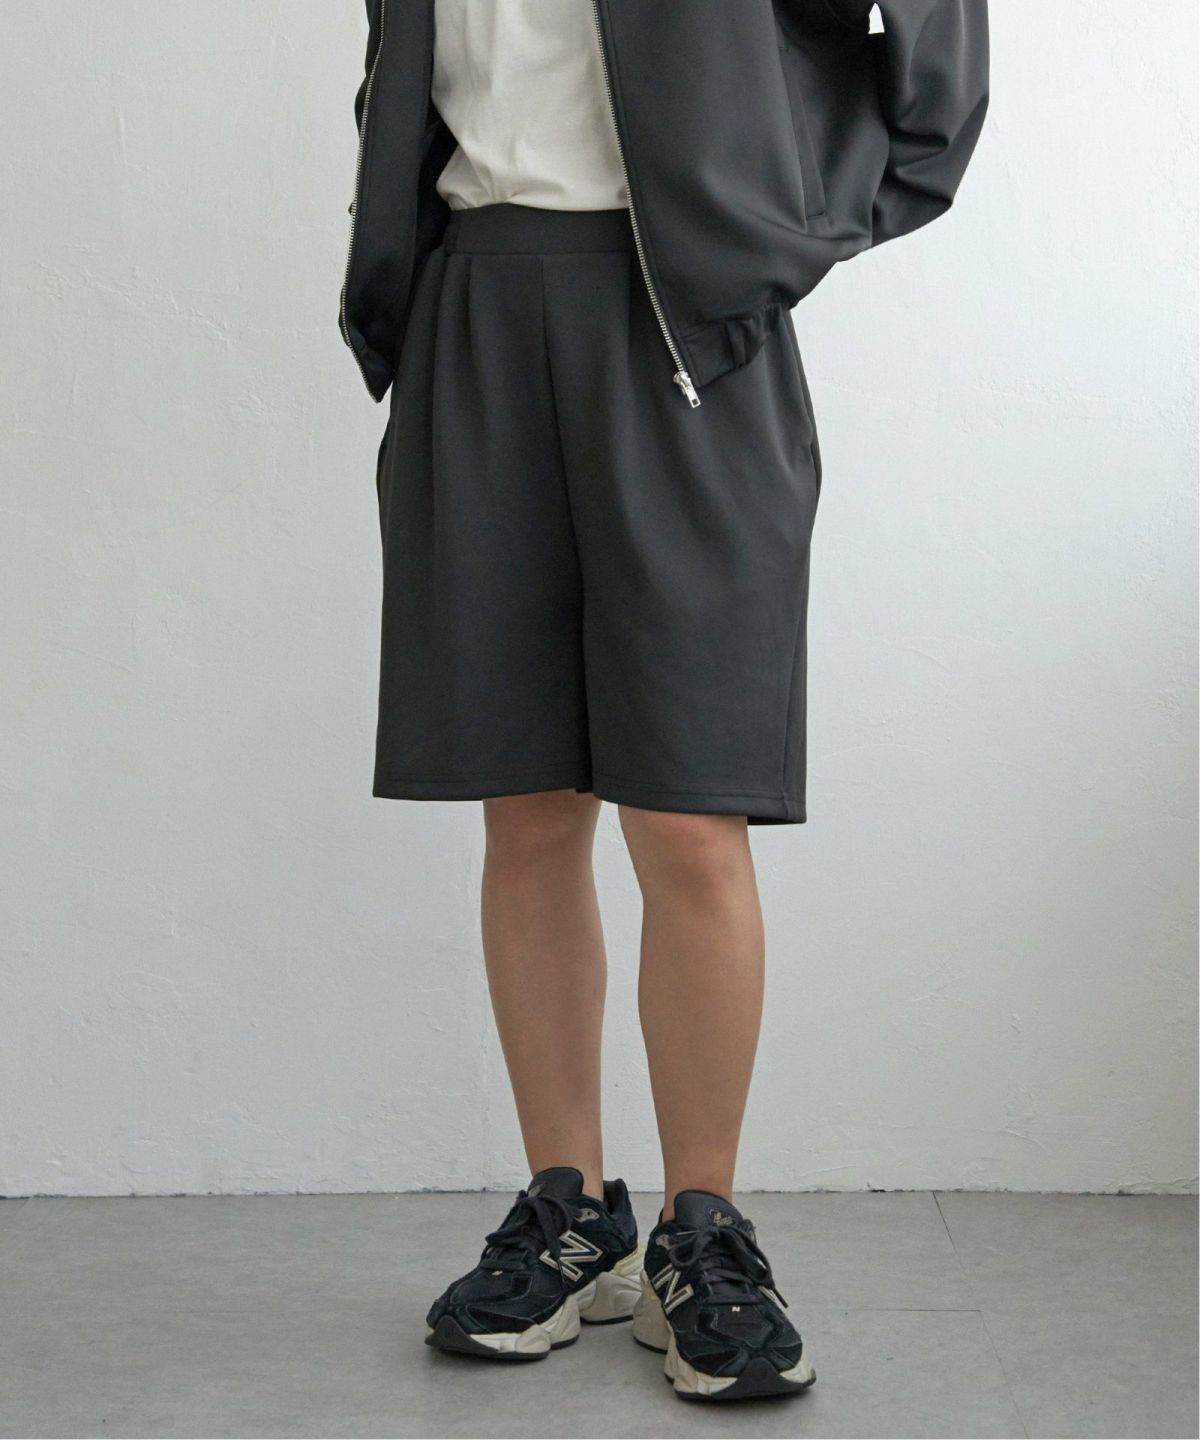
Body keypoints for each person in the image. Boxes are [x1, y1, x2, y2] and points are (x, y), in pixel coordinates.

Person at [339, 0, 988, 1403]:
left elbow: (935, 55)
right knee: (525, 809)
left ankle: (706, 1232)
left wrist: (794, 224)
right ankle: (570, 1213)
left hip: (689, 319)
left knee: (689, 817)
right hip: (477, 305)